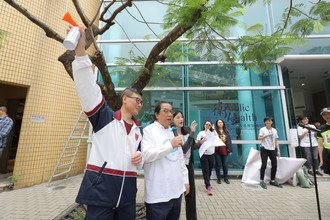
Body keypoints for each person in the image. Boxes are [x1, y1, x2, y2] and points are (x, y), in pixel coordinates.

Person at [72, 27, 143, 220]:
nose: (139, 103)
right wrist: (80, 54)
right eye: (136, 99)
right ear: (124, 99)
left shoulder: (139, 130)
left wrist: (140, 158)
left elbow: (140, 157)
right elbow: (88, 88)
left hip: (127, 196)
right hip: (100, 191)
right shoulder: (104, 118)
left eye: (141, 101)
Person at [141, 102, 189, 220]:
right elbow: (146, 155)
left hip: (176, 192)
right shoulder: (149, 131)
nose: (170, 114)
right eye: (165, 111)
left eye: (171, 111)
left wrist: (185, 181)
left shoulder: (172, 132)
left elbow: (180, 160)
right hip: (158, 195)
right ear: (157, 115)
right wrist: (170, 146)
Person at [172, 110, 197, 220]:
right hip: (176, 168)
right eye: (177, 117)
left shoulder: (186, 130)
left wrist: (201, 142)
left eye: (181, 117)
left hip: (188, 167)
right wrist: (192, 133)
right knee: (175, 196)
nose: (181, 119)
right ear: (172, 119)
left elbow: (193, 146)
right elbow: (183, 150)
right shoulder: (171, 133)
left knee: (191, 197)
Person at [258, 117, 282, 189]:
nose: (268, 123)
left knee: (274, 165)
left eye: (270, 121)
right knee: (264, 165)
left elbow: (276, 140)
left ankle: (272, 180)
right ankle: (261, 180)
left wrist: (278, 150)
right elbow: (259, 137)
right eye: (267, 122)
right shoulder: (262, 129)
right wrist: (267, 135)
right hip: (264, 148)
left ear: (272, 122)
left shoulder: (274, 130)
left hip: (272, 149)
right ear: (265, 122)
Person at [196, 120, 215, 195]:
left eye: (209, 125)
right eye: (206, 124)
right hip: (204, 154)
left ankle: (207, 182)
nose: (207, 126)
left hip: (211, 154)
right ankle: (208, 186)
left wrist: (213, 130)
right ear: (204, 125)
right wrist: (202, 140)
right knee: (205, 170)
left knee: (210, 170)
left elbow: (217, 139)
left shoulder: (213, 133)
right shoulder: (201, 133)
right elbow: (197, 142)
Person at [214, 119, 232, 184]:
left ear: (223, 123)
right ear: (217, 124)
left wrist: (230, 150)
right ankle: (218, 178)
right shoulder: (215, 131)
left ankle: (226, 178)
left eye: (221, 122)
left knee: (225, 164)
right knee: (218, 164)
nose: (220, 123)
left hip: (225, 150)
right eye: (219, 122)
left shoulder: (226, 131)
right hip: (217, 151)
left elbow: (229, 141)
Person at [317, 107, 330, 175]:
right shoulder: (321, 129)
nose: (327, 116)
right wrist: (321, 160)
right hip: (327, 153)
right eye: (324, 114)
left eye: (328, 113)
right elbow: (320, 145)